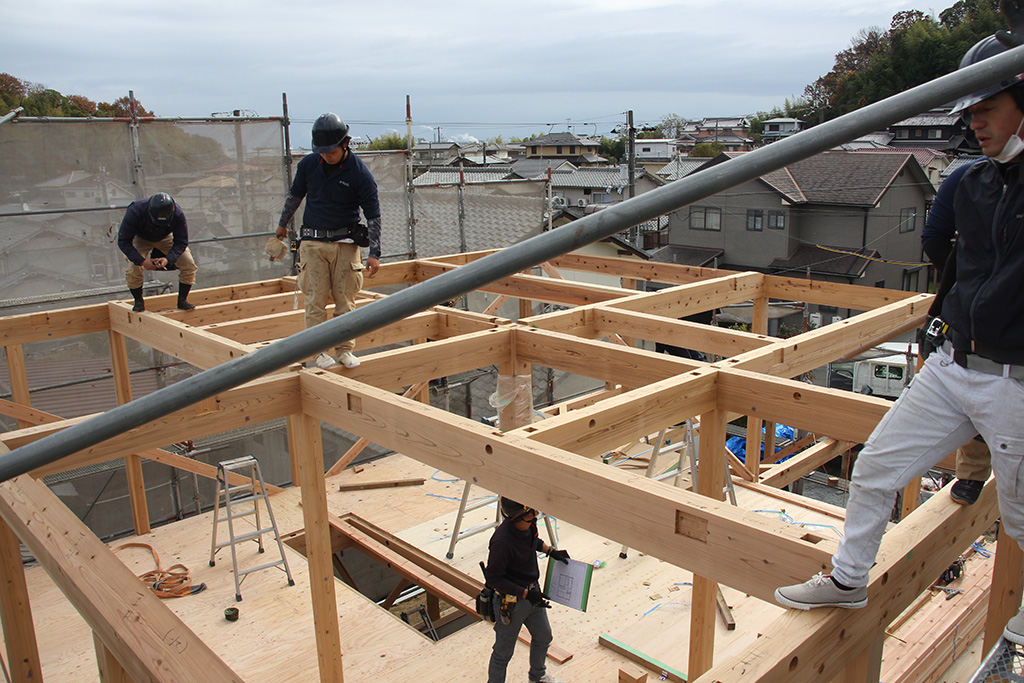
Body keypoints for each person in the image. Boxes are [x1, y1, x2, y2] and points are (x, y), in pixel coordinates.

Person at [774, 34, 1024, 648]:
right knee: (877, 466)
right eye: (969, 110)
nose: (975, 120)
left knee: (1020, 516)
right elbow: (950, 260)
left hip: (1016, 380)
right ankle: (847, 577)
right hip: (955, 362)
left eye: (988, 105)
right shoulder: (972, 184)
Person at [276, 112, 381, 369]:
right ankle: (318, 352)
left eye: (330, 151)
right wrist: (281, 225)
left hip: (346, 244)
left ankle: (344, 350)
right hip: (312, 243)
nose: (325, 156)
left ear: (345, 144)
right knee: (315, 299)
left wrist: (375, 253)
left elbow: (373, 215)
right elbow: (295, 196)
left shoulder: (359, 173)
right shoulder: (309, 165)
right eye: (321, 151)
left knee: (345, 302)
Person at [921, 159, 992, 506]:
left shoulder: (968, 175)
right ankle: (973, 474)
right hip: (973, 307)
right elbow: (935, 237)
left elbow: (934, 238)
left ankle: (976, 476)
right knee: (972, 375)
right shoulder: (971, 177)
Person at [484, 497, 570, 683]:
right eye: (530, 517)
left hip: (532, 595)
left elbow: (533, 540)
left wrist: (550, 551)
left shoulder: (527, 525)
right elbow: (493, 579)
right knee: (503, 652)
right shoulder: (502, 542)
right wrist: (525, 594)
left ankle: (537, 676)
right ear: (515, 518)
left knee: (543, 636)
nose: (534, 519)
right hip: (512, 603)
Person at [117, 192, 198, 312]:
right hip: (141, 238)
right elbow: (124, 241)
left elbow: (181, 242)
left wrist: (168, 259)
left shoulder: (178, 214)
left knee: (189, 264)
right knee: (134, 267)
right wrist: (143, 261)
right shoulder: (135, 210)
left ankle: (182, 300)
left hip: (165, 237)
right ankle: (138, 300)